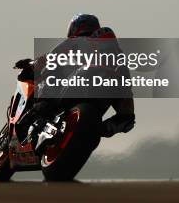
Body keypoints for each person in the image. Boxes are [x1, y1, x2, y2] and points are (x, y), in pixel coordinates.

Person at [14, 14, 136, 150]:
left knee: (51, 69)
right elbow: (126, 90)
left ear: (75, 28)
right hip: (105, 95)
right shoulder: (119, 57)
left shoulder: (76, 41)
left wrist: (30, 63)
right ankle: (98, 128)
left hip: (80, 88)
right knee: (127, 118)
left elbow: (49, 58)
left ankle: (41, 106)